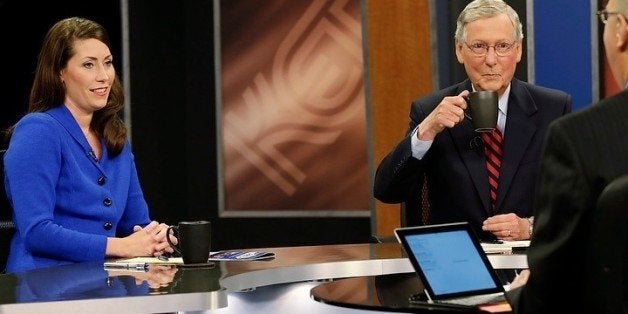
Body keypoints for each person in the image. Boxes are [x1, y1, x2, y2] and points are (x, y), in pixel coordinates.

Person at [373, 0, 572, 241]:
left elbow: (573, 200)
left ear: (518, 50)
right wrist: (425, 131)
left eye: (502, 46)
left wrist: (530, 226)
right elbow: (386, 191)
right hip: (457, 264)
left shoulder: (553, 108)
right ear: (459, 50)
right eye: (478, 46)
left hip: (526, 264)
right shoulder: (430, 110)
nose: (490, 60)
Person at [2, 17, 175, 273]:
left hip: (106, 282)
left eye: (107, 63)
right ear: (60, 72)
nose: (103, 76)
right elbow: (37, 232)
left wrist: (158, 237)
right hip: (44, 286)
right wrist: (123, 247)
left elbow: (136, 224)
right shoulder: (38, 131)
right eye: (88, 65)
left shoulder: (115, 138)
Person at [507, 0, 628, 312]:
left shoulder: (578, 138)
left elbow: (550, 293)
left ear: (621, 31)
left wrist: (520, 293)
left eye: (606, 18)